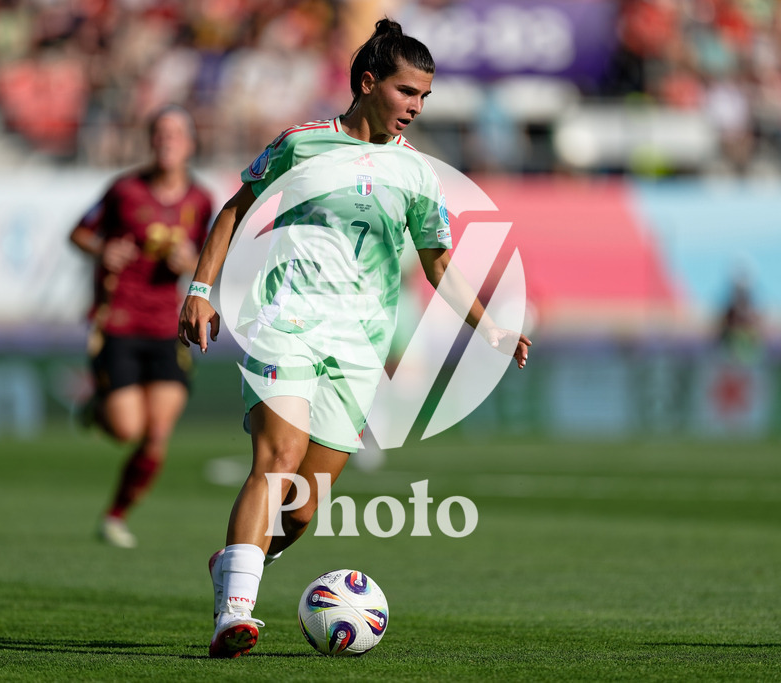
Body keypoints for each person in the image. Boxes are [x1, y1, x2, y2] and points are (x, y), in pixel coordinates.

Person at [177, 19, 531, 658]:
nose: (416, 108)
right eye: (406, 92)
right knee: (277, 462)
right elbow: (235, 210)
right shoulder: (301, 145)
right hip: (286, 323)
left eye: (424, 96)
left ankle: (232, 562)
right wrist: (201, 289)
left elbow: (438, 264)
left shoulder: (420, 176)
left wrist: (491, 327)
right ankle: (234, 611)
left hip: (358, 347)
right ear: (368, 83)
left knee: (305, 509)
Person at [70, 104, 214, 549]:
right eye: (160, 133)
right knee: (126, 429)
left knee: (156, 436)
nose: (167, 140)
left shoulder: (200, 200)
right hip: (119, 321)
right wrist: (103, 251)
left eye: (176, 133)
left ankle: (116, 516)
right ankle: (97, 408)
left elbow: (204, 257)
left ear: (189, 144)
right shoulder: (125, 190)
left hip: (166, 328)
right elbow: (79, 232)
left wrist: (188, 263)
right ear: (151, 142)